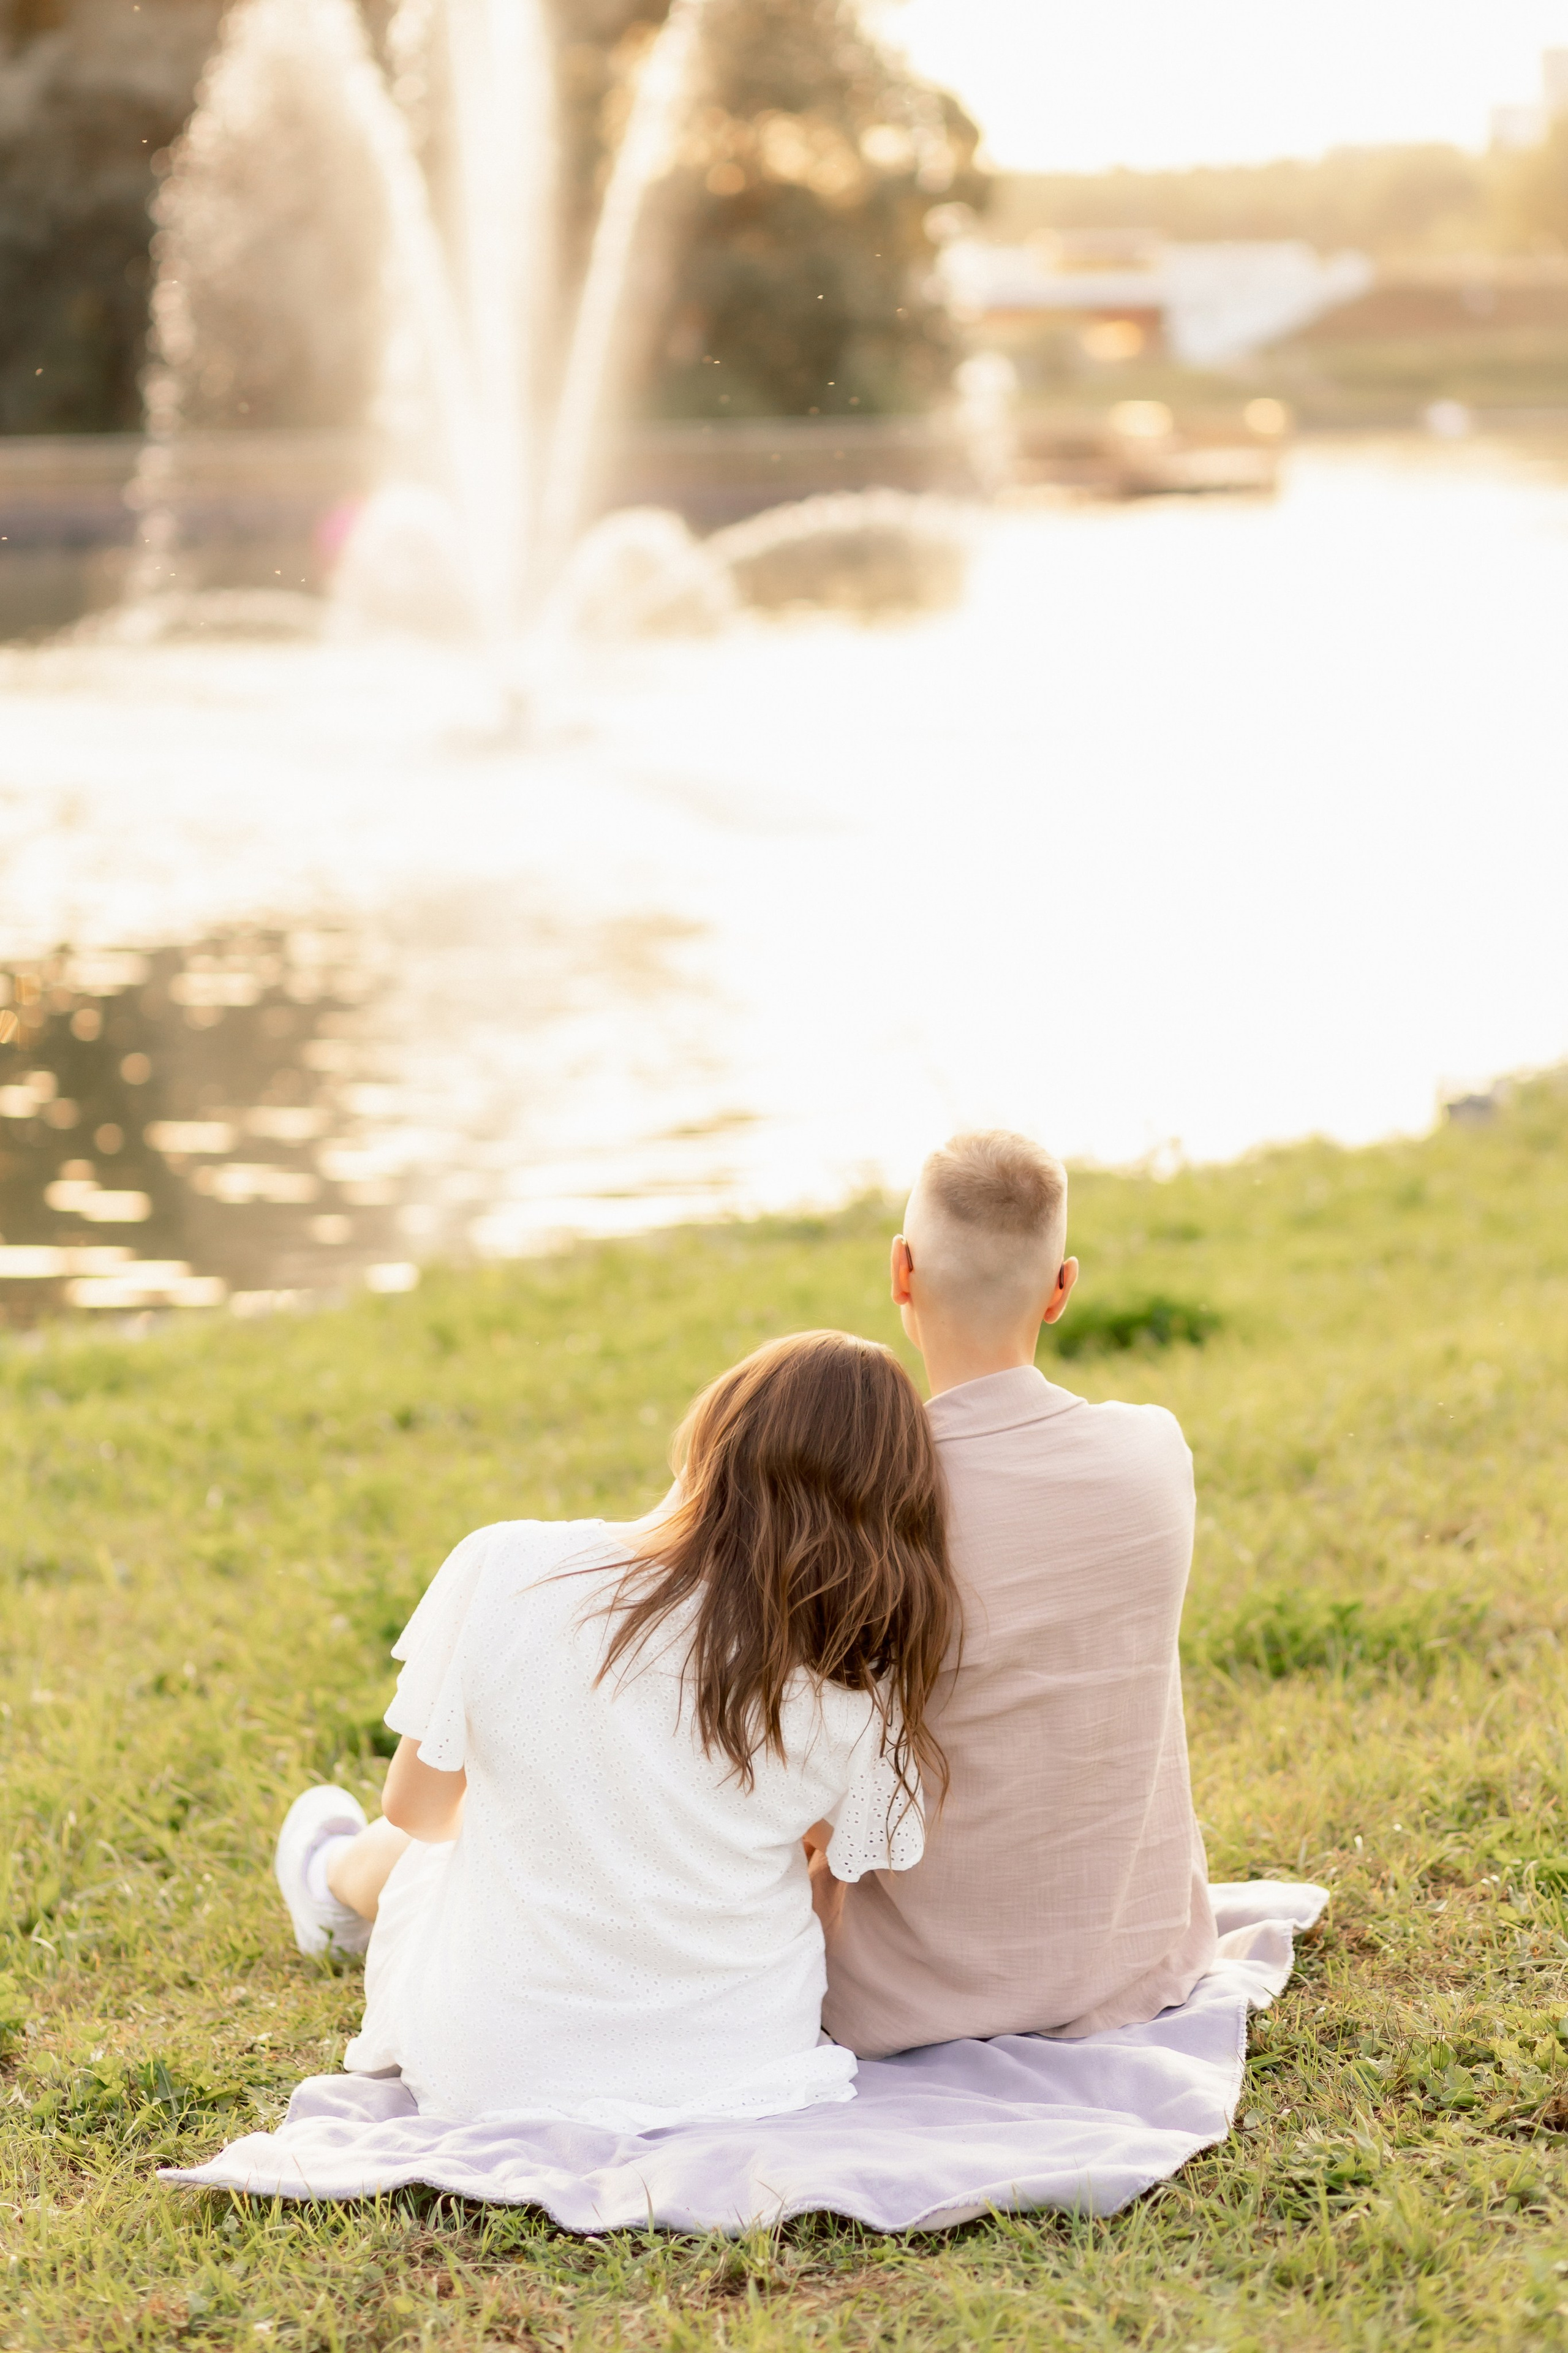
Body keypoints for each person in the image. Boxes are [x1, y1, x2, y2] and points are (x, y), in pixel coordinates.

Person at [272, 1330, 957, 2129]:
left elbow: (418, 1810)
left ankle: (326, 1884)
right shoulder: (854, 1680)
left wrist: (559, 1815)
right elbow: (840, 1871)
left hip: (498, 2063)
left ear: (709, 1436)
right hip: (738, 2065)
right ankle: (327, 1883)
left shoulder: (509, 1563)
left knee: (442, 1856)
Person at [819, 1131, 1216, 2058]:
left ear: (900, 1272)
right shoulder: (1154, 1452)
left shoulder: (865, 1500)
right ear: (1063, 1287)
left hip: (907, 1991)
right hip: (1131, 1955)